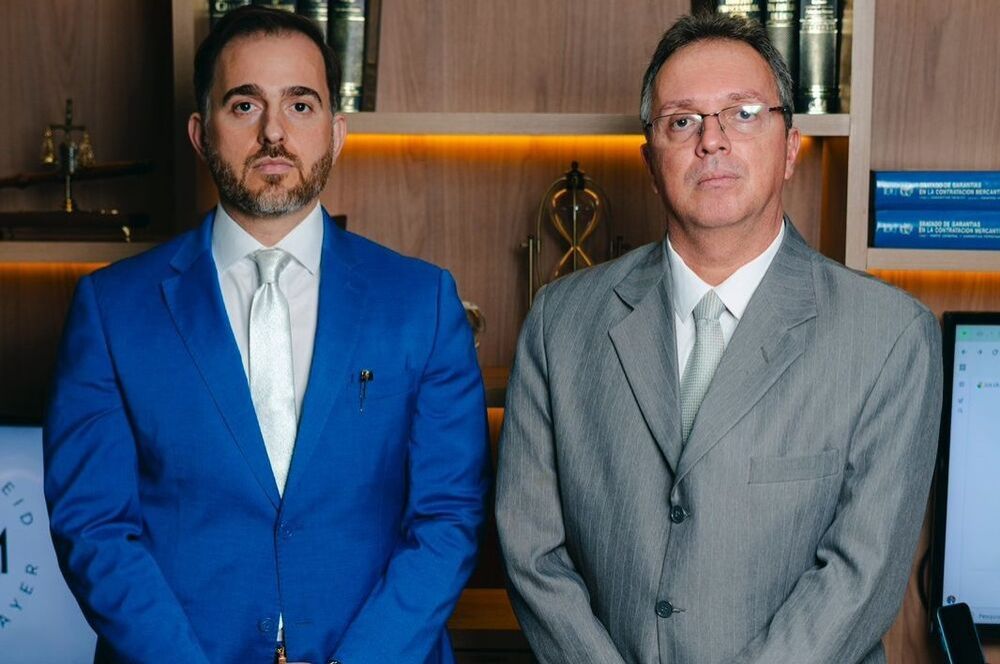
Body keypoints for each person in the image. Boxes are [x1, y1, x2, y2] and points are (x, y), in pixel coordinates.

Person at [44, 7, 489, 663]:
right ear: (201, 133)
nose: (274, 132)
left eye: (300, 105)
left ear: (336, 132)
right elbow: (93, 526)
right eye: (245, 105)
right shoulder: (112, 309)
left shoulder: (421, 302)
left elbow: (447, 518)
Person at [496, 13, 942, 664]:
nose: (712, 140)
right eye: (682, 121)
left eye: (744, 114)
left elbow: (860, 577)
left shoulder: (892, 336)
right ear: (651, 161)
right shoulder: (558, 323)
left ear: (790, 147)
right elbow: (532, 550)